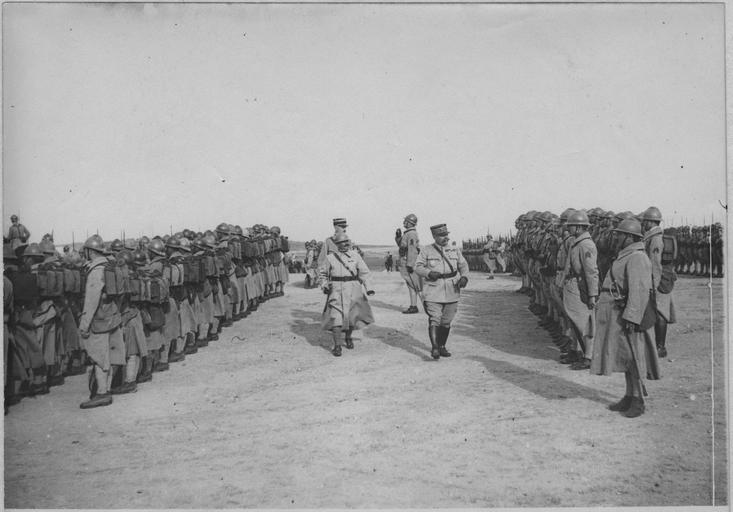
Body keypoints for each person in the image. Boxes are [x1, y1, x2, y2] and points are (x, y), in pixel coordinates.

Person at [590, 218, 660, 418]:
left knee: (634, 358)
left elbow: (639, 290)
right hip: (619, 314)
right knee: (626, 359)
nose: (617, 237)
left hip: (629, 318)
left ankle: (638, 401)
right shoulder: (627, 255)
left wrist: (632, 317)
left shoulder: (637, 257)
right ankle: (629, 395)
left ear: (630, 237)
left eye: (620, 234)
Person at [78, 235, 123, 409]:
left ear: (90, 251)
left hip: (98, 321)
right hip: (111, 316)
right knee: (108, 356)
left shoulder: (96, 271)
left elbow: (91, 301)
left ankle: (102, 393)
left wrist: (84, 325)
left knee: (99, 357)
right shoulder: (109, 266)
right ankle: (107, 389)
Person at [414, 223, 469, 359]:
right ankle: (434, 348)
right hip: (433, 290)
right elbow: (417, 267)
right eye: (442, 235)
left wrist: (464, 278)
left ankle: (442, 346)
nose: (446, 238)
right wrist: (428, 273)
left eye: (446, 235)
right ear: (434, 236)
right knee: (435, 319)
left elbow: (463, 265)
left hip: (452, 290)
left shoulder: (454, 250)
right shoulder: (426, 250)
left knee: (446, 322)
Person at [318, 232, 375, 357]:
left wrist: (369, 288)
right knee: (336, 318)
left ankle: (348, 337)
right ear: (336, 245)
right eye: (340, 243)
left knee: (351, 317)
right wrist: (324, 285)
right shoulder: (330, 258)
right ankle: (337, 345)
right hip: (336, 290)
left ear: (349, 243)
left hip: (353, 289)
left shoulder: (356, 256)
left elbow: (364, 273)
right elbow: (322, 274)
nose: (343, 245)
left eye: (345, 243)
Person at [562, 210, 599, 370]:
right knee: (574, 321)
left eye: (571, 226)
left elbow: (591, 272)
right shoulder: (576, 242)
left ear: (578, 227)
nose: (568, 229)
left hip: (580, 287)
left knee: (585, 323)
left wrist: (592, 294)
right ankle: (576, 351)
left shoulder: (586, 245)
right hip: (572, 285)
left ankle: (589, 356)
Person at [641, 206, 676, 358]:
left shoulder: (655, 239)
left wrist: (653, 285)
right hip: (661, 279)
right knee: (658, 311)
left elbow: (655, 264)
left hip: (660, 281)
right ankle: (657, 346)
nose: (643, 223)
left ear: (651, 221)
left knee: (661, 312)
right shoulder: (652, 236)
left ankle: (660, 347)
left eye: (645, 221)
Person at [396, 213, 422, 314]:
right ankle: (413, 305)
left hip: (408, 262)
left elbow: (412, 249)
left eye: (405, 221)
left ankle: (422, 307)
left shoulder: (411, 234)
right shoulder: (408, 233)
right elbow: (402, 245)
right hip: (406, 261)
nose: (404, 223)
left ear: (409, 223)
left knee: (415, 285)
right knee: (411, 285)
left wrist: (410, 264)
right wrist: (398, 237)